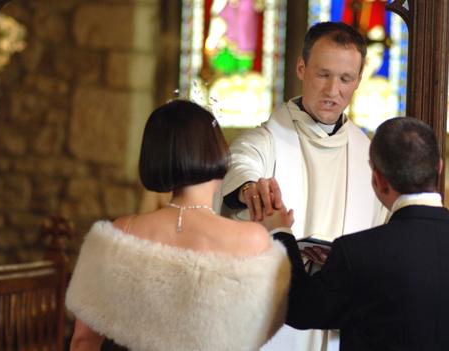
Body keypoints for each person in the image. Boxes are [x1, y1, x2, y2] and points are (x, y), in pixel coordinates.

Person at [268, 117, 449, 350]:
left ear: (378, 179)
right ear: (439, 167)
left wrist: (281, 231)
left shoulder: (356, 254)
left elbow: (300, 309)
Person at [65, 100, 291, 351]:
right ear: (216, 151)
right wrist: (278, 229)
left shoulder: (119, 233)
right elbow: (266, 329)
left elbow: (83, 340)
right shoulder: (253, 240)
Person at [221, 21, 386, 350]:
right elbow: (240, 164)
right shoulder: (267, 139)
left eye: (345, 79)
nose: (332, 91)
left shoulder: (368, 155)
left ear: (358, 81)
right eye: (323, 74)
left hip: (340, 318)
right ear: (301, 68)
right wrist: (251, 188)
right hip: (273, 312)